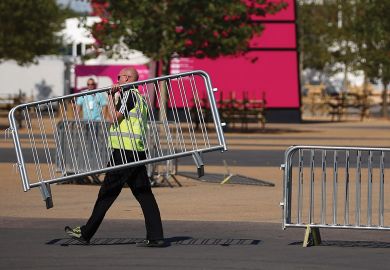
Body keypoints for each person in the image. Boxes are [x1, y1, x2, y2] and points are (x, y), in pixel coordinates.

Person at [65, 67, 167, 248]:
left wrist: (110, 97)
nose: (117, 80)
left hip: (124, 152)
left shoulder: (129, 95)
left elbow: (114, 117)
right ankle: (156, 236)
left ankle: (86, 233)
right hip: (136, 150)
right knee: (144, 194)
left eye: (119, 77)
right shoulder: (140, 97)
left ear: (127, 78)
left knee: (107, 193)